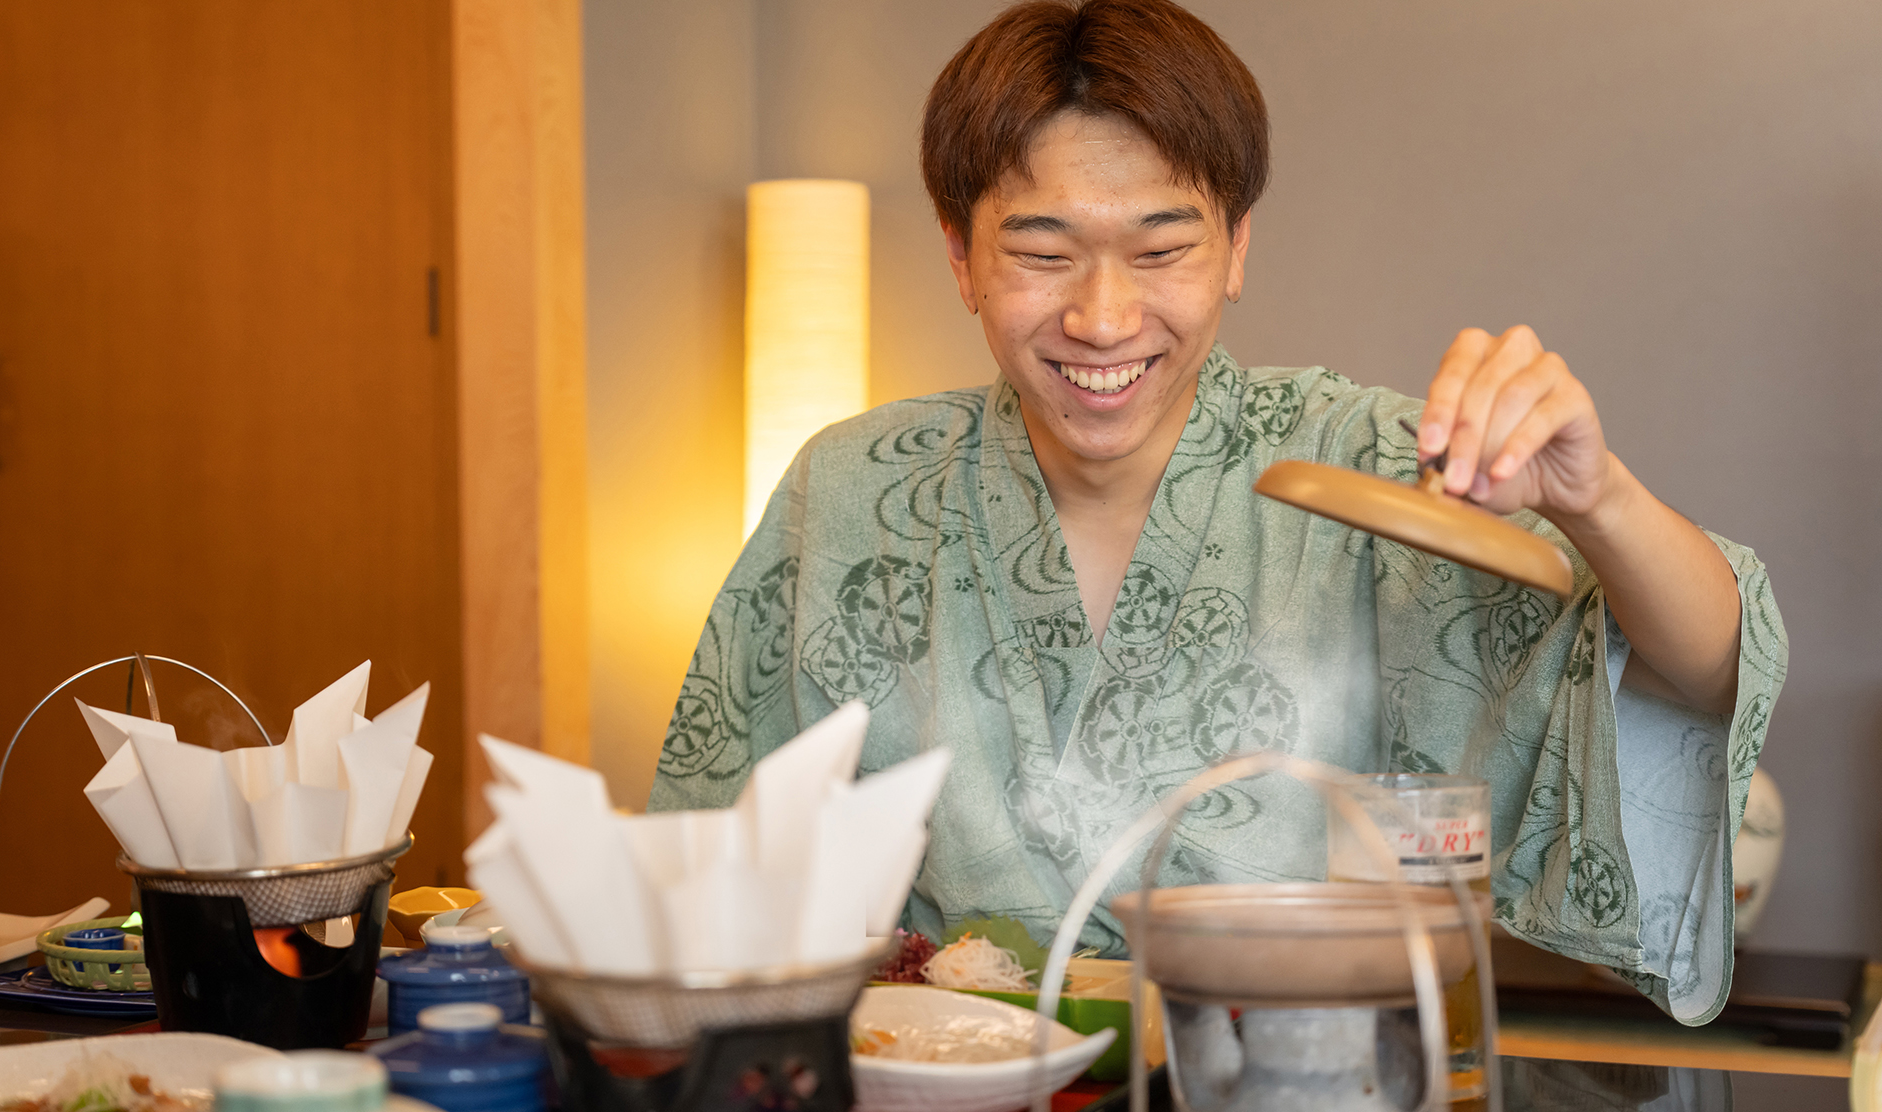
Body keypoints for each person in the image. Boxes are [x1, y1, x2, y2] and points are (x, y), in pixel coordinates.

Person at [648, 0, 1785, 1025]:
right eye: (1041, 251)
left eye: (1160, 249)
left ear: (1235, 246)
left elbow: (1697, 668)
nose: (1103, 318)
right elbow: (713, 874)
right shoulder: (852, 490)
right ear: (959, 257)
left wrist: (1596, 498)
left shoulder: (1369, 471)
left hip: (1300, 1083)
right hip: (943, 1083)